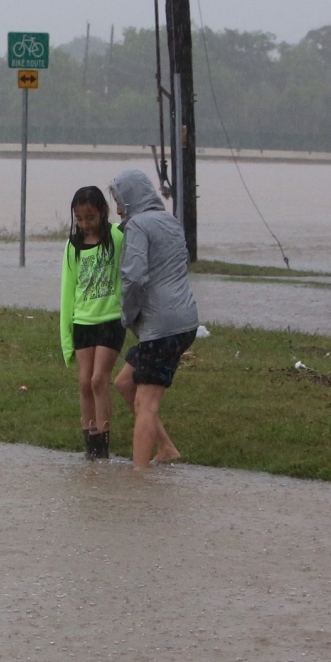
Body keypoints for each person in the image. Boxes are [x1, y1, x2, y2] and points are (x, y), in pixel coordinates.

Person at [110, 168, 199, 470]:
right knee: (124, 383)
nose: (118, 209)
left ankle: (139, 478)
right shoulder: (170, 221)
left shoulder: (137, 226)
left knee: (144, 405)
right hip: (185, 322)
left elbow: (134, 277)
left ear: (132, 199)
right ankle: (166, 449)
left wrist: (128, 315)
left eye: (119, 201)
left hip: (160, 328)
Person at [59, 184, 126, 460]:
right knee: (85, 382)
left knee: (100, 380)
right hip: (82, 323)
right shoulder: (72, 247)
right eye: (79, 219)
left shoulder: (118, 238)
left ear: (102, 213)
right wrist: (66, 340)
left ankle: (104, 444)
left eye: (90, 218)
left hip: (111, 320)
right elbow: (67, 292)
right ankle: (91, 447)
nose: (85, 224)